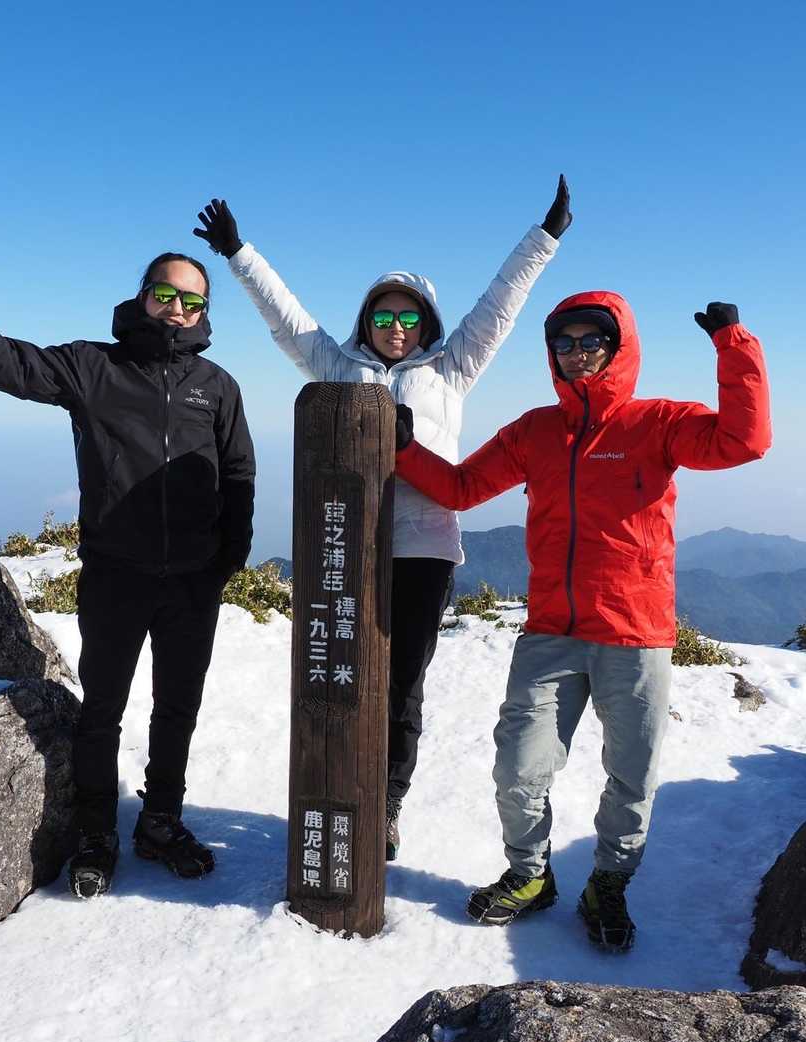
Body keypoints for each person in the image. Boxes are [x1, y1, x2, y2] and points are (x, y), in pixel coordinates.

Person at [192, 180, 571, 860]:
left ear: (426, 324)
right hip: (346, 547)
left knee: (402, 685)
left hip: (424, 552)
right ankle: (338, 785)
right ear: (366, 321)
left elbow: (500, 305)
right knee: (340, 673)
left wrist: (543, 239)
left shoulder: (452, 368)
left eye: (408, 317)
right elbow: (288, 319)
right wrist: (238, 253)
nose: (396, 328)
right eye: (384, 316)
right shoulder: (336, 365)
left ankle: (387, 802)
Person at [391, 292, 771, 950]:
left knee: (631, 776)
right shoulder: (536, 431)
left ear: (618, 347)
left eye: (590, 340)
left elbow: (744, 442)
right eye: (562, 343)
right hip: (551, 632)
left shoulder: (658, 422)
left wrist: (733, 346)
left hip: (635, 634)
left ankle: (609, 884)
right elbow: (461, 489)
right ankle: (530, 875)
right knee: (519, 765)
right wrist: (403, 449)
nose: (575, 353)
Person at [0, 240, 255, 898]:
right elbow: (5, 362)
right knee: (102, 710)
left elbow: (238, 473)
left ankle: (161, 821)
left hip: (192, 582)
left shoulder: (217, 387)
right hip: (116, 577)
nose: (177, 308)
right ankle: (96, 831)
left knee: (177, 708)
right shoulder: (93, 367)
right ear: (143, 296)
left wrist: (226, 559)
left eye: (191, 300)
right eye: (166, 294)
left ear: (204, 311)